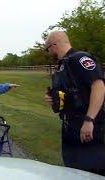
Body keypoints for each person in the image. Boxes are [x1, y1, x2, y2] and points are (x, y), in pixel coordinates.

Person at [44, 31, 105, 175]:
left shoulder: (80, 59)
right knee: (73, 170)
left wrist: (89, 120)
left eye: (48, 49)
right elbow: (68, 93)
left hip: (86, 125)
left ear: (54, 45)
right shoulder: (63, 65)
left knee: (92, 170)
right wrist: (53, 98)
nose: (48, 53)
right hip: (70, 126)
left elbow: (99, 86)